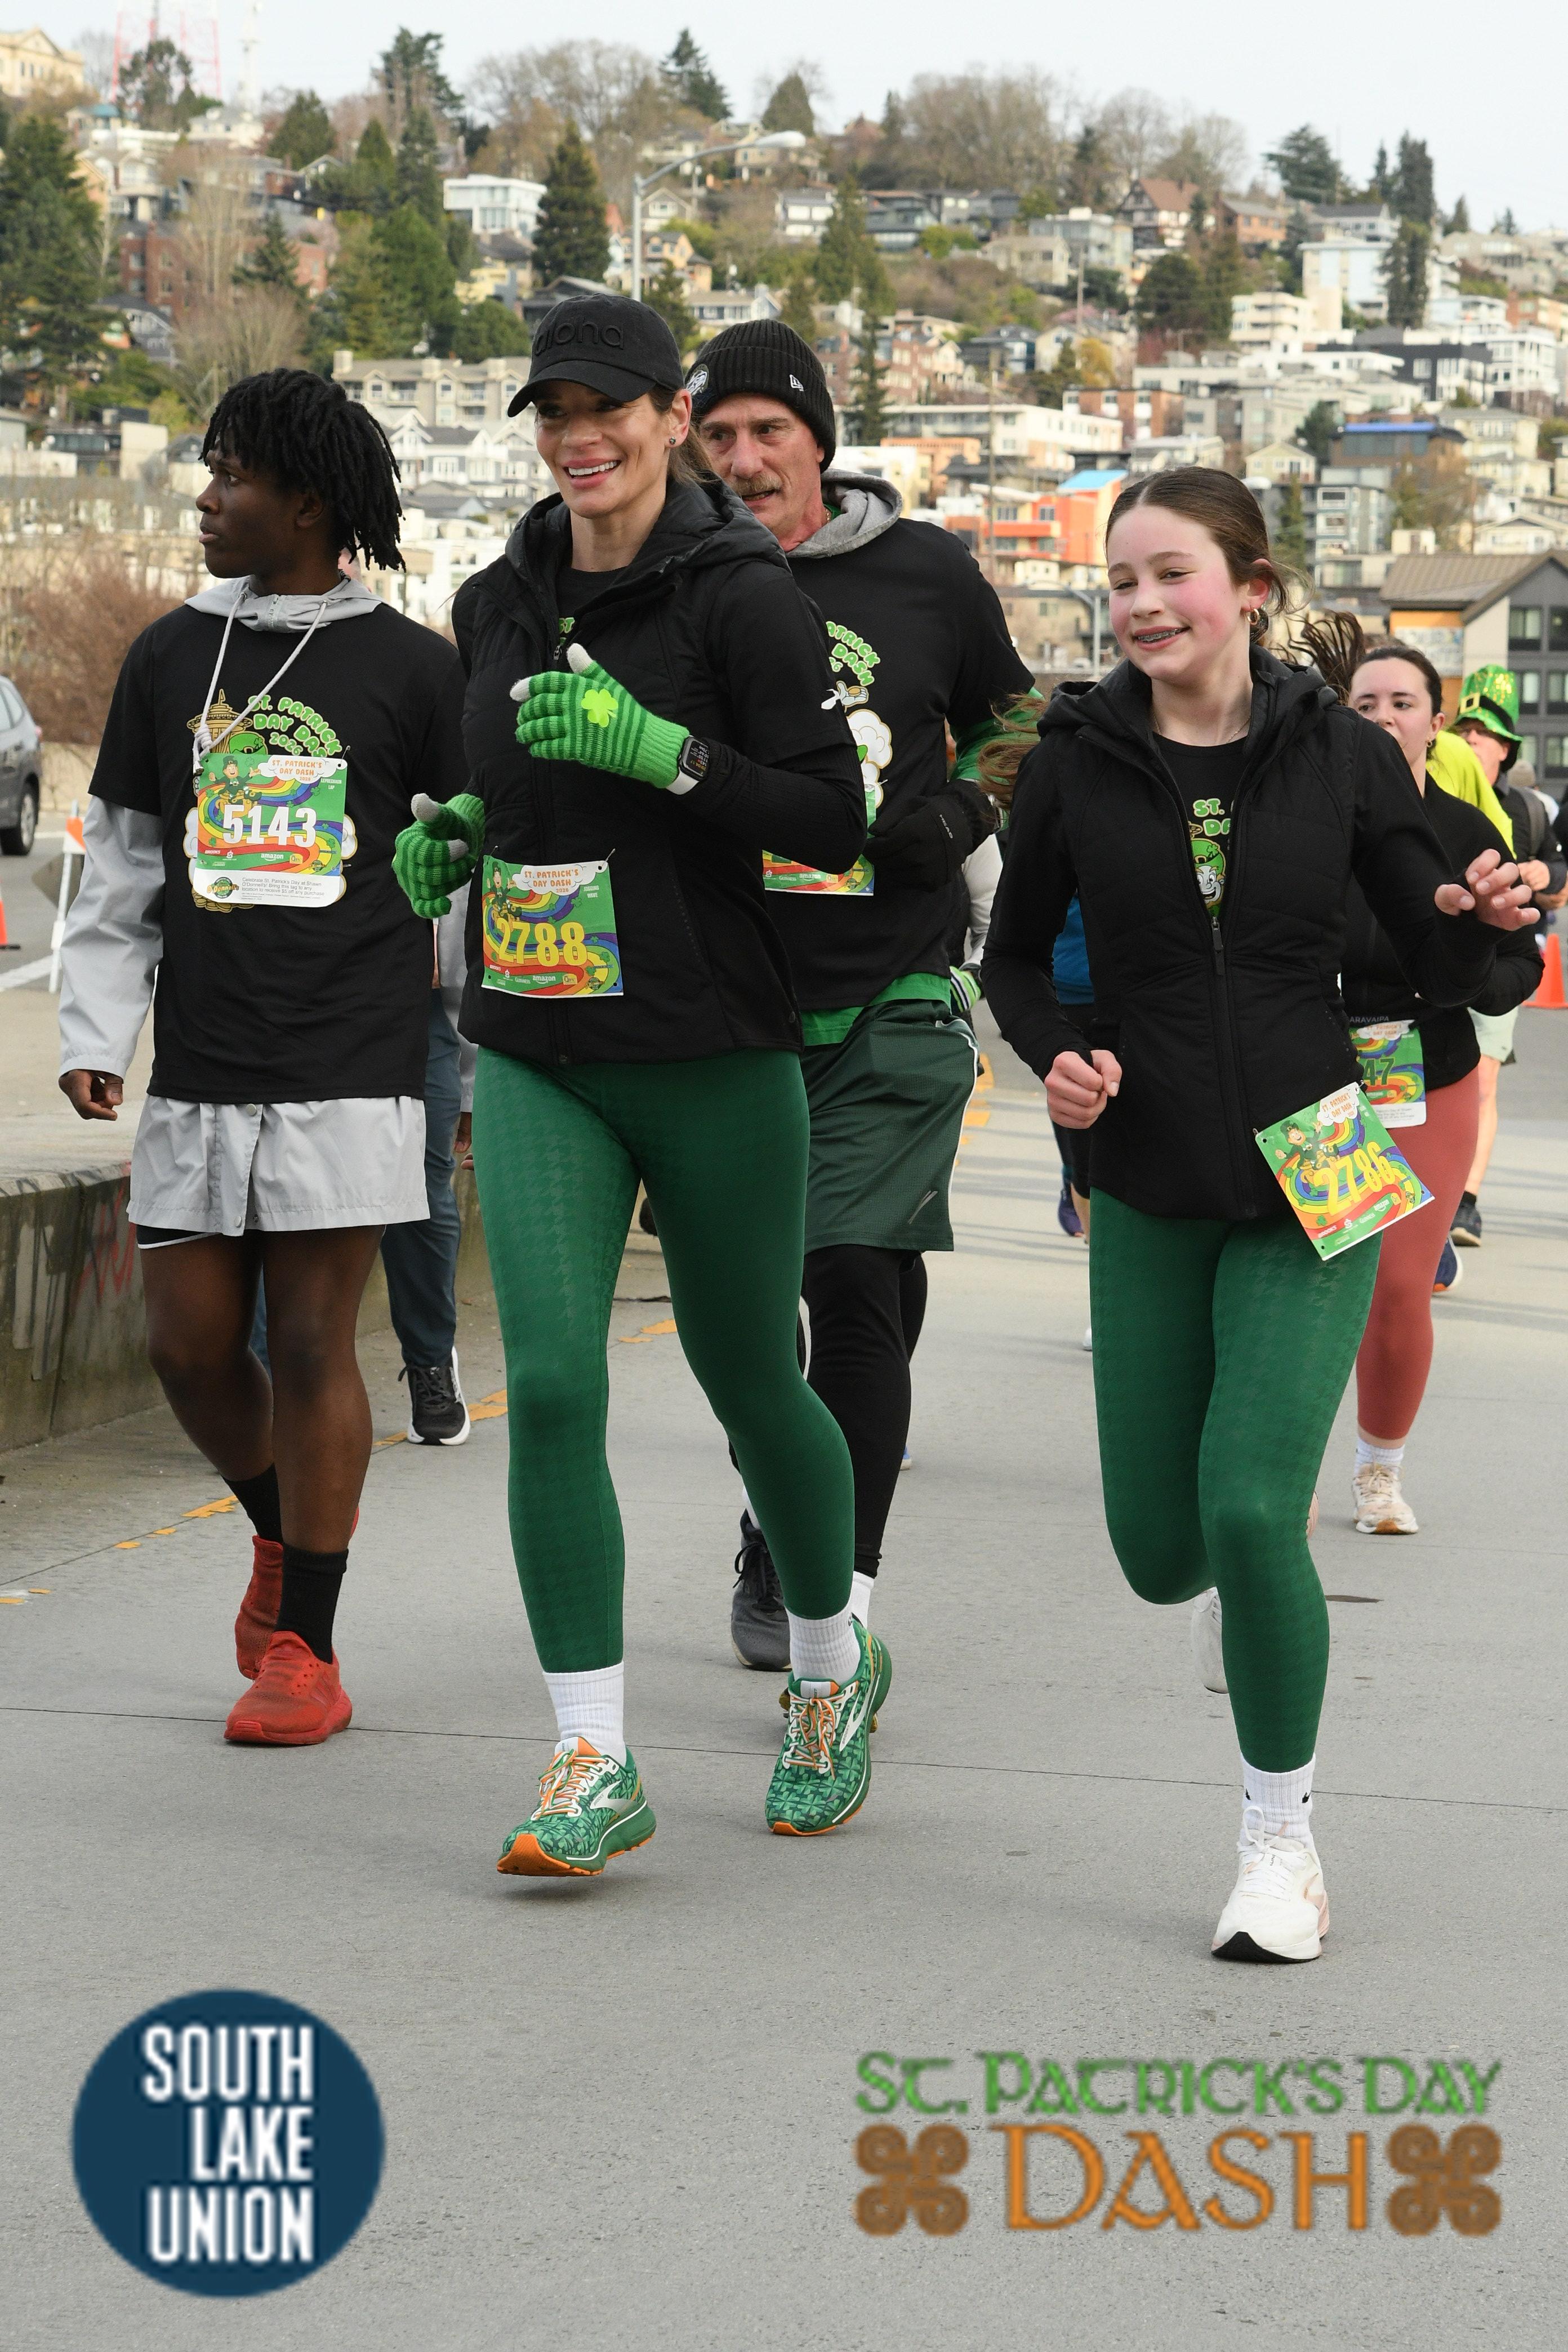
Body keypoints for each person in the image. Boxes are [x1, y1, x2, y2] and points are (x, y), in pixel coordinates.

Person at [983, 468, 1533, 1964]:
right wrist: (1058, 1057)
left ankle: (1280, 1845)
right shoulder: (1076, 762)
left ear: (1251, 590)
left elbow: (1442, 945)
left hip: (1323, 1161)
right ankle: (1241, 1593)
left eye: (1173, 573)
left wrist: (1487, 917)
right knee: (1163, 1552)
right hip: (1146, 1169)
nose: (1143, 603)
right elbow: (1013, 959)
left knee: (1247, 1506)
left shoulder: (1342, 754)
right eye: (1122, 581)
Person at [391, 295, 889, 1874]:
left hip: (714, 1048)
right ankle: (591, 1758)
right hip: (543, 1048)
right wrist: (459, 836)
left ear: (673, 416)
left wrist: (657, 748)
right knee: (551, 1384)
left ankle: (831, 1669)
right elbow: (516, 784)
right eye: (552, 412)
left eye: (606, 406)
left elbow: (830, 821)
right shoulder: (496, 600)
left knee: (753, 1383)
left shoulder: (743, 598)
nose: (577, 436)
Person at [56, 367, 468, 1744]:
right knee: (185, 1346)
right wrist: (95, 1031)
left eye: (230, 475)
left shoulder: (413, 669)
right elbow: (124, 863)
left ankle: (308, 1648)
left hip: (353, 1054)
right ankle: (284, 1540)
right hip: (205, 1054)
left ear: (307, 502)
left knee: (307, 1337)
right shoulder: (170, 655)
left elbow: (462, 865)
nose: (205, 497)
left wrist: (478, 1036)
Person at [688, 321, 1035, 1662]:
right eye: (718, 434)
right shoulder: (671, 577)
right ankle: (777, 1500)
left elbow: (1018, 721)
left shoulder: (924, 572)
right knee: (756, 1306)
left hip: (890, 981)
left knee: (844, 1272)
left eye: (768, 430)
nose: (744, 457)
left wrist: (958, 813)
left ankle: (820, 1589)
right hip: (726, 992)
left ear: (818, 443)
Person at [1337, 639, 1540, 1532]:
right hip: (1316, 1077)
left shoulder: (1466, 831)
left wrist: (1466, 979)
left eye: (1403, 703)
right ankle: (1281, 1470)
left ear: (1435, 721)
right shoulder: (1306, 822)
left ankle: (1379, 1472)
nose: (1385, 718)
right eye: (1366, 704)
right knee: (1316, 1285)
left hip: (1431, 1073)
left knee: (1397, 1284)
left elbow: (1522, 959)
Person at [1445, 665, 1562, 1245]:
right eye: (1464, 731)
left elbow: (1559, 879)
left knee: (1484, 1081)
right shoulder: (1428, 794)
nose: (1471, 740)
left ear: (1505, 748)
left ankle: (1463, 1204)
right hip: (1429, 965)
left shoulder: (1527, 810)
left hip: (1500, 966)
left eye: (1484, 734)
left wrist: (1543, 875)